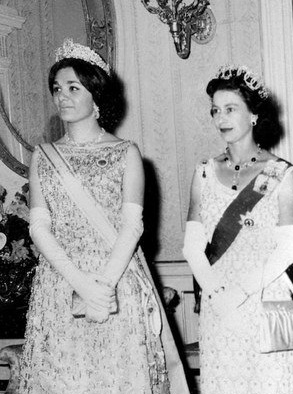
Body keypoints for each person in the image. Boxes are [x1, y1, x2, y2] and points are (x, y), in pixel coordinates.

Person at [20, 39, 187, 393]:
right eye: (57, 89)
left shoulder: (126, 153)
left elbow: (132, 226)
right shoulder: (43, 156)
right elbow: (39, 226)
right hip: (61, 283)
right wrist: (80, 284)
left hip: (116, 281)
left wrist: (103, 286)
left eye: (73, 88)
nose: (62, 96)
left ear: (96, 96)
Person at [182, 65, 293, 394]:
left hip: (263, 298)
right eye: (215, 110)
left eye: (231, 109)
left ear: (253, 115)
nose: (221, 118)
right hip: (218, 301)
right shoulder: (204, 173)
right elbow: (192, 247)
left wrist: (240, 292)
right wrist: (219, 295)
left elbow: (290, 249)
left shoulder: (280, 173)